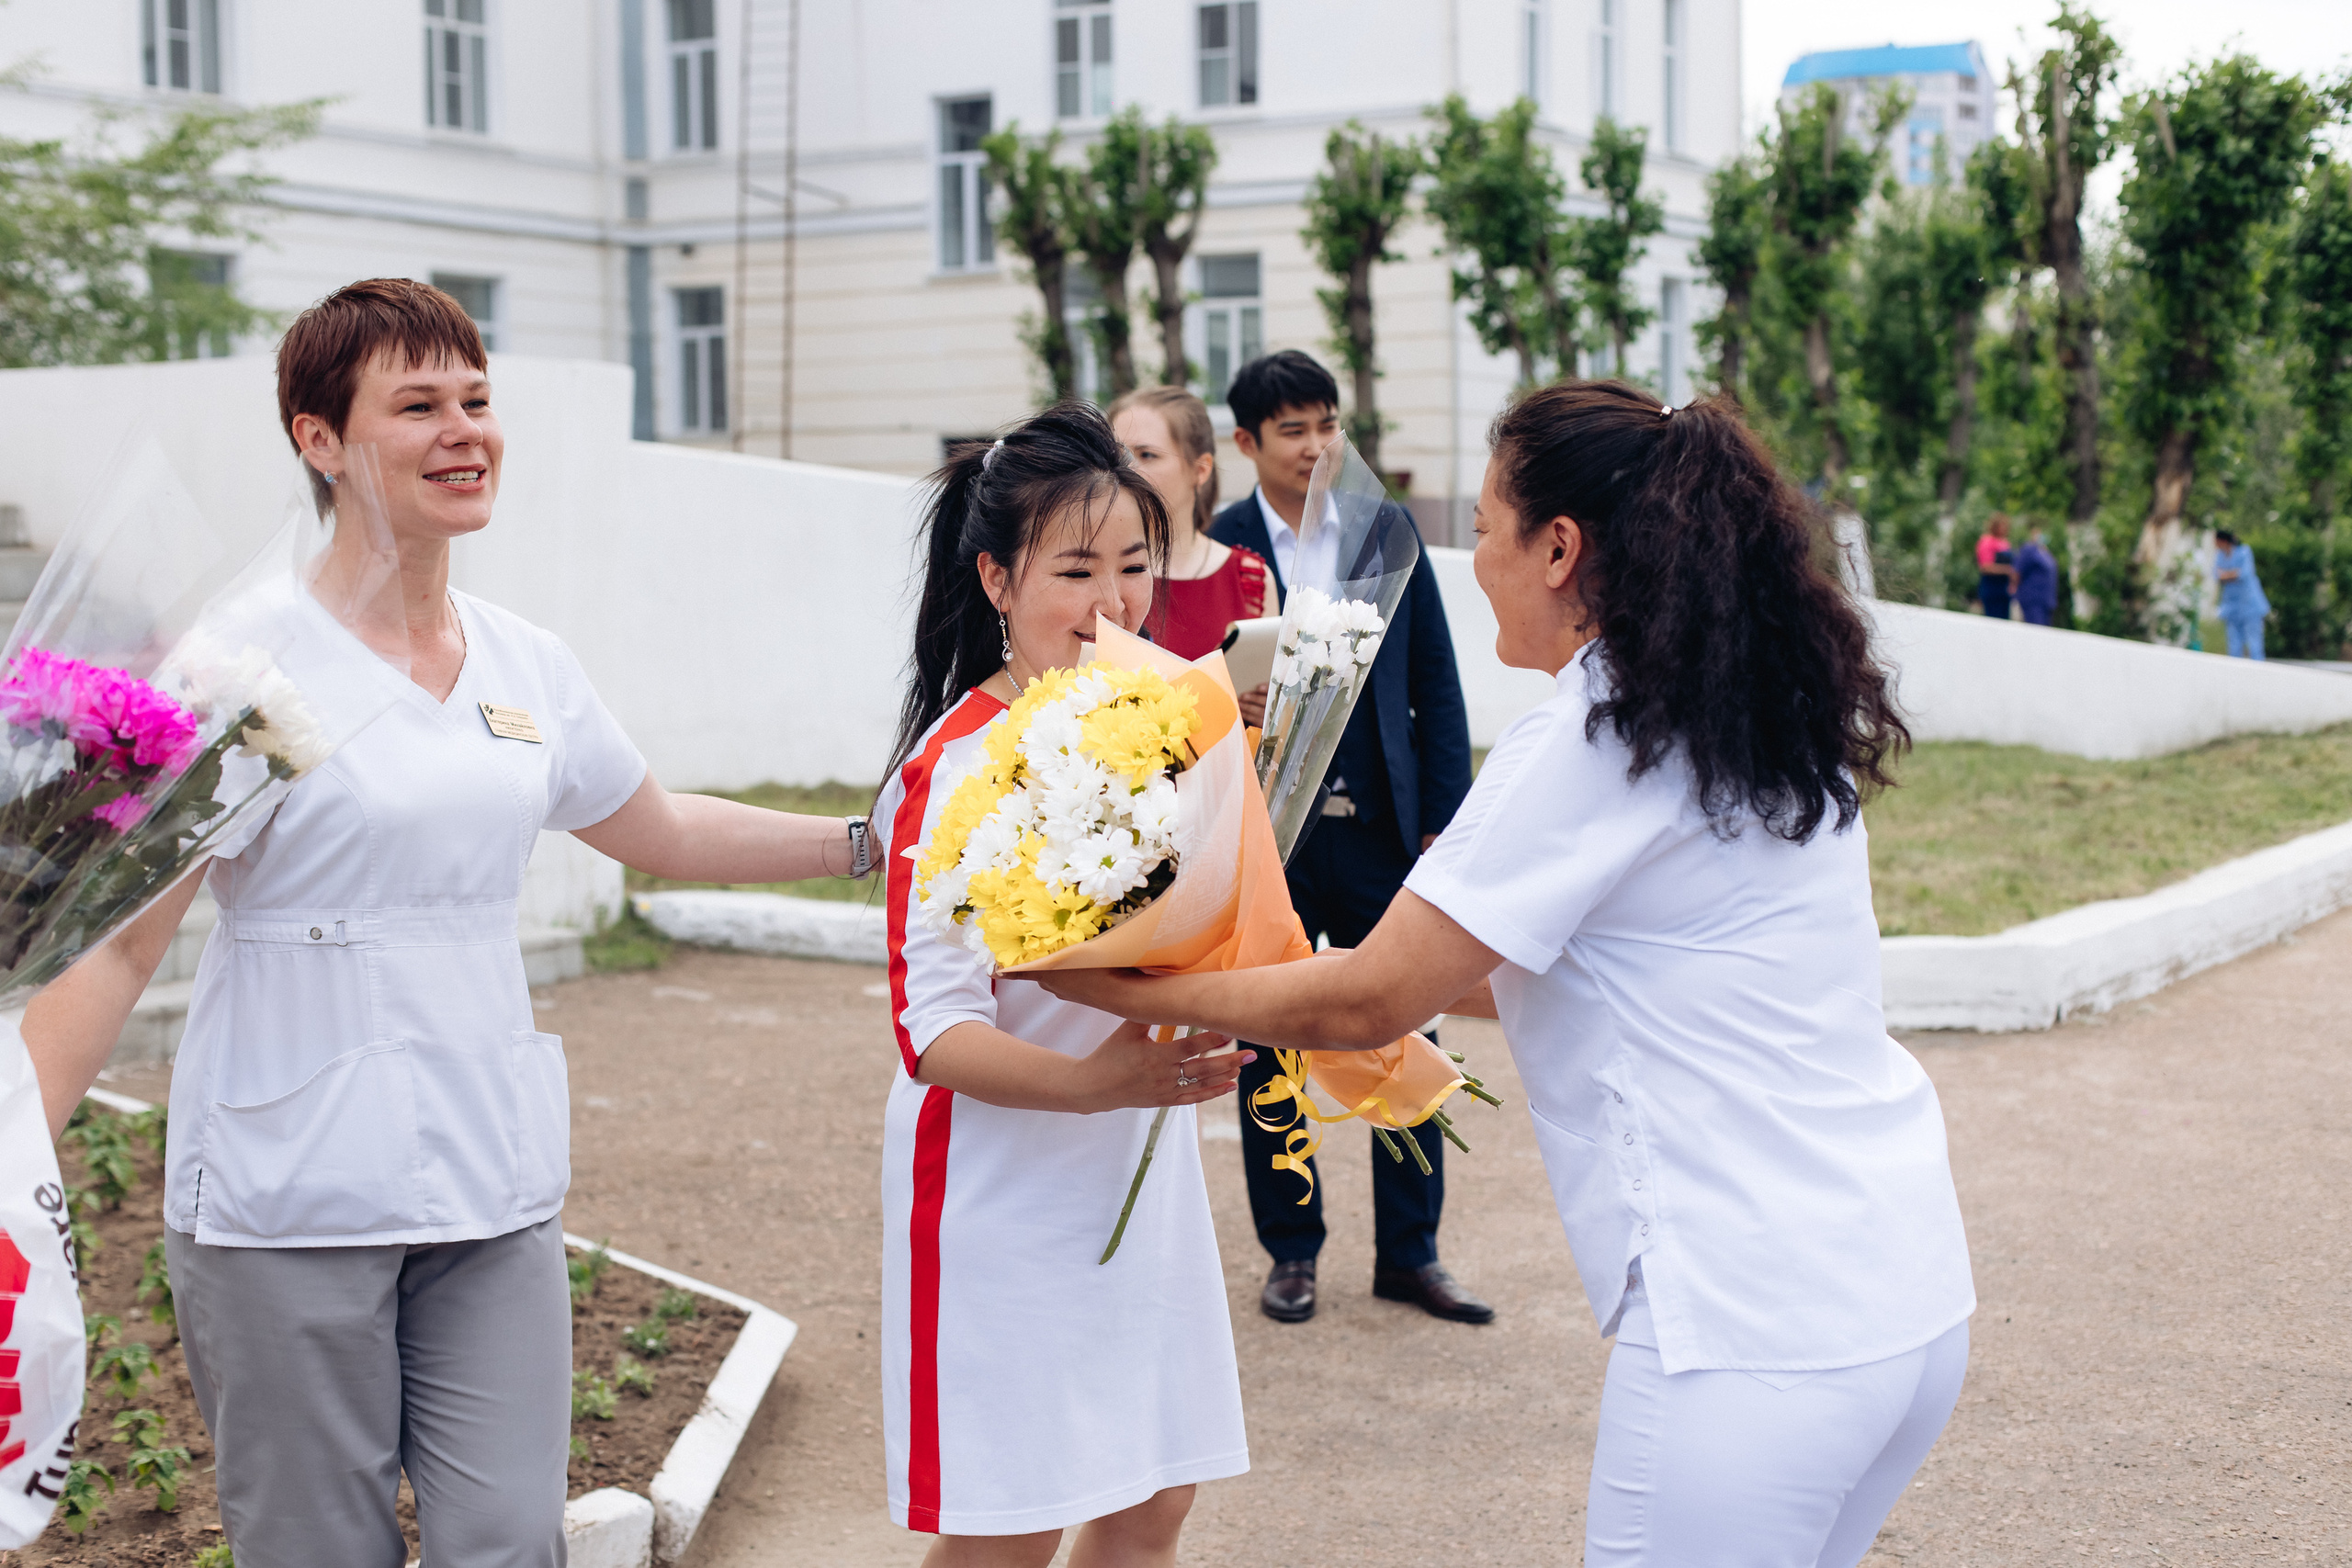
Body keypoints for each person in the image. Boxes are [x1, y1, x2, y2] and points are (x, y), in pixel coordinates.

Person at [1041, 380, 1976, 1567]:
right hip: (1902, 1296)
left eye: (1484, 526)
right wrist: (1304, 968)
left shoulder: (1597, 733)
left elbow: (1375, 995)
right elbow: (1581, 971)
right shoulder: (1751, 711)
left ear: (1560, 547)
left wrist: (1113, 977)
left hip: (1752, 1326)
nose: (1473, 557)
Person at [24, 278, 883, 1568]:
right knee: (317, 1548)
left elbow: (656, 828)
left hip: (488, 1185)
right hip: (285, 1192)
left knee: (502, 1540)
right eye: (416, 404)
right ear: (318, 439)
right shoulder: (233, 664)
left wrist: (873, 839)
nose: (463, 429)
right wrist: (12, 1139)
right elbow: (124, 932)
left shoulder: (526, 659)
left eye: (477, 399)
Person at [875, 402, 1251, 1565]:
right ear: (994, 576)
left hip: (1135, 1170)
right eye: (1074, 567)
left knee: (1152, 1497)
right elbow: (932, 1031)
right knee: (1012, 1525)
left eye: (1135, 565)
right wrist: (1095, 1083)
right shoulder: (951, 768)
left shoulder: (1167, 727)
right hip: (1002, 1185)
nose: (1113, 601)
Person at [1209, 349, 1484, 1326]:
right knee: (1269, 1045)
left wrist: (1444, 824)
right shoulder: (1218, 545)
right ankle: (1292, 1252)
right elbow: (1185, 691)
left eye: (1327, 423)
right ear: (1245, 443)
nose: (1317, 445)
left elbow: (1436, 685)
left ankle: (1411, 1255)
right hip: (1269, 838)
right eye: (1293, 429)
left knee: (1406, 1035)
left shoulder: (1385, 528)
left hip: (1382, 827)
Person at [1107, 384, 1272, 659]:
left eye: (1147, 455)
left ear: (1201, 469)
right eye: (1117, 455)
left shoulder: (1249, 577)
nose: (1126, 470)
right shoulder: (1093, 572)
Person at [2213, 529, 2270, 660]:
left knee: (2254, 644)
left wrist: (2226, 574)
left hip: (2249, 604)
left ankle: (2258, 675)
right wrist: (2232, 574)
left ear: (2222, 541)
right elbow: (2216, 575)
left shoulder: (2244, 551)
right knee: (2234, 645)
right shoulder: (2220, 556)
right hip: (2231, 605)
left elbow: (2245, 573)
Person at [2014, 524, 2060, 626]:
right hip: (2033, 599)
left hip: (2046, 600)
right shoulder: (2029, 550)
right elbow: (2017, 572)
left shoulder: (2045, 552)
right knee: (2036, 631)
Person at [1973, 513, 2016, 620]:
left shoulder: (2006, 543)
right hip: (1992, 588)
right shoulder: (1987, 542)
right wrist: (2007, 570)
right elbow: (1985, 567)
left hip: (2004, 589)